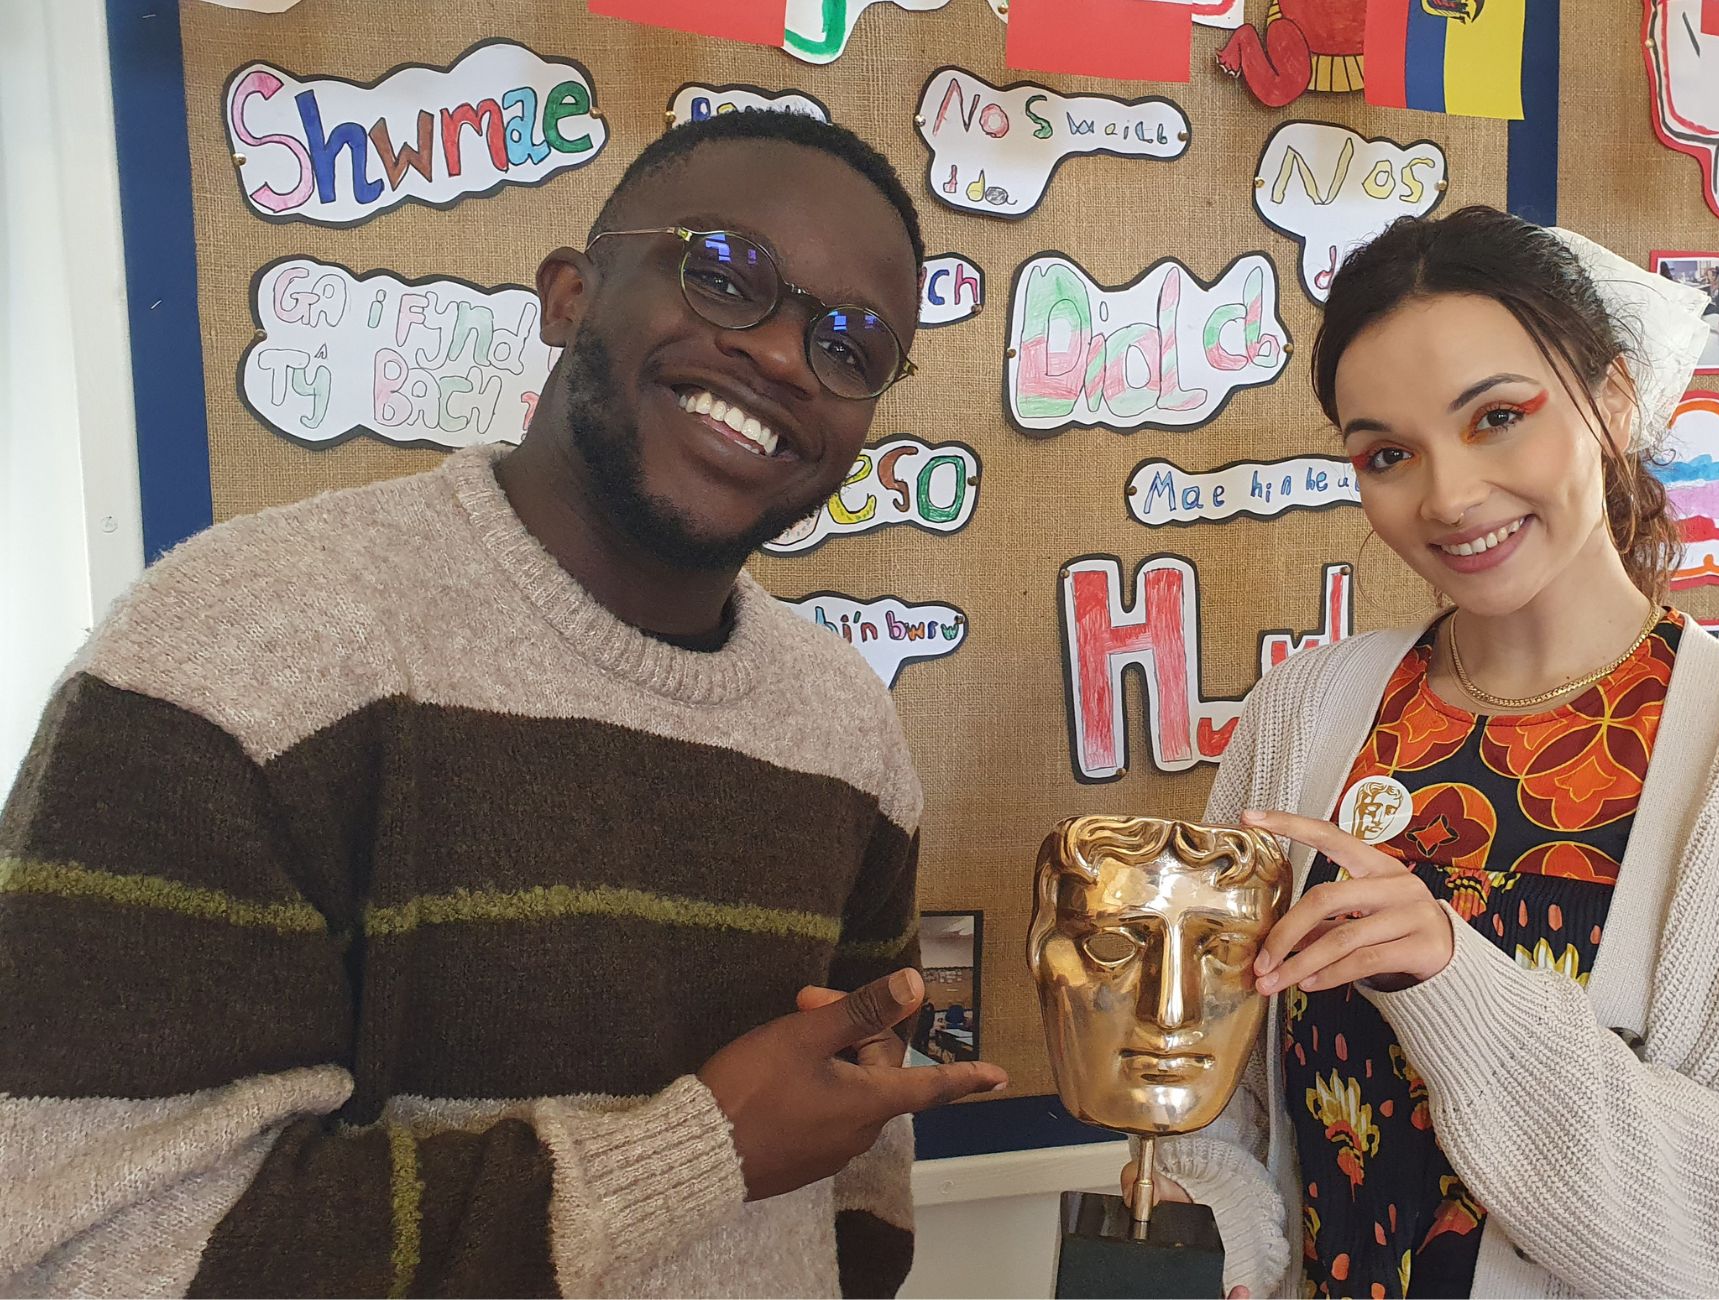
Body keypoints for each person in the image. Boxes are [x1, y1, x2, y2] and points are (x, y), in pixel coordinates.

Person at [0, 111, 1006, 1297]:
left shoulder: (847, 727)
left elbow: (859, 1172)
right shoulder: (241, 651)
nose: (787, 358)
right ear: (571, 295)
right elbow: (93, 1241)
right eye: (727, 276)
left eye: (853, 346)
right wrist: (700, 1153)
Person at [1126, 206, 1719, 1297]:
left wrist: (1458, 982)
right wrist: (1212, 1237)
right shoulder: (1305, 715)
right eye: (1389, 453)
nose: (1448, 496)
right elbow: (1226, 1112)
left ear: (1612, 398)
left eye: (1497, 416)